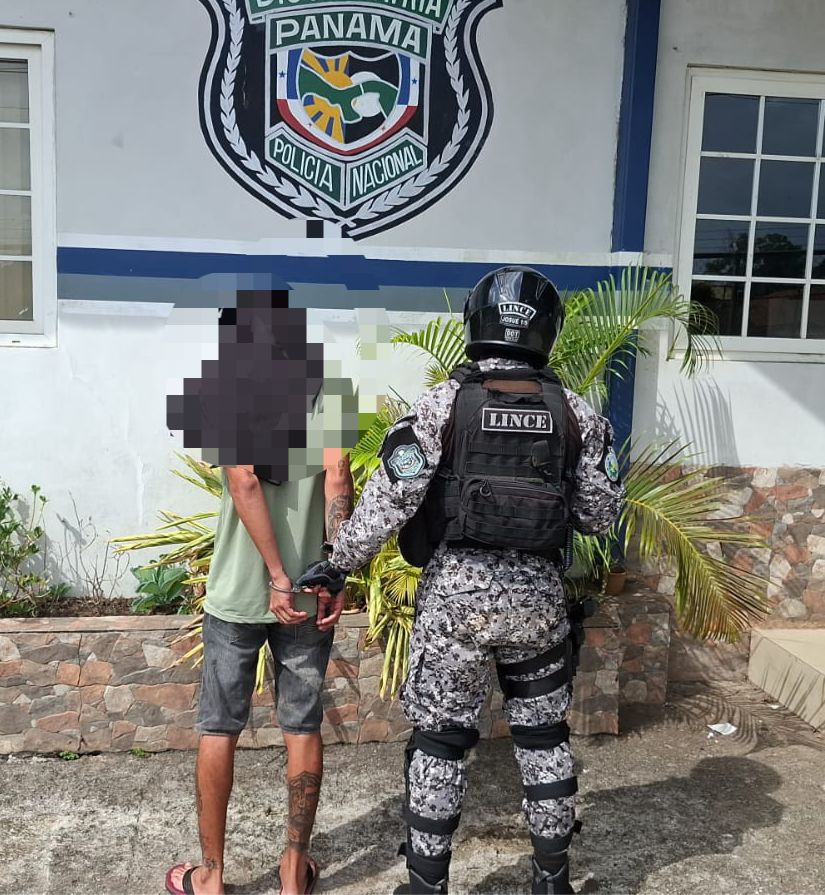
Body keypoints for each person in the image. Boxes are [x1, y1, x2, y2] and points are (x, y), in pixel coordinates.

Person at [298, 267, 625, 894]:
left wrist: (339, 564)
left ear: (475, 323)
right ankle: (553, 880)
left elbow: (389, 500)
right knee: (544, 741)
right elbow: (600, 514)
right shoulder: (577, 414)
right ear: (547, 331)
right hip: (538, 607)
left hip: (455, 604)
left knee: (440, 744)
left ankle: (427, 885)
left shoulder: (442, 404)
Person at [165, 450, 354, 895]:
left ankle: (210, 877)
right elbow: (338, 476)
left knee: (218, 729)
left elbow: (244, 480)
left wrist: (275, 575)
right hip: (308, 589)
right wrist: (334, 572)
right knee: (302, 727)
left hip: (238, 593)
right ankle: (293, 875)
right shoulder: (327, 404)